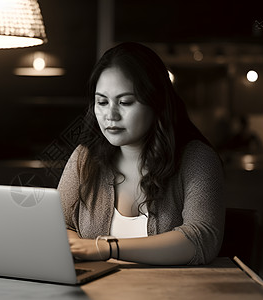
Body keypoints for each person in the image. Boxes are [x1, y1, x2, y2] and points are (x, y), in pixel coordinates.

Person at [57, 42, 224, 265]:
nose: (111, 115)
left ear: (156, 102)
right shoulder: (84, 158)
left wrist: (105, 248)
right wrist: (78, 248)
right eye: (102, 102)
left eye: (125, 102)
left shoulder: (197, 160)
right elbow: (56, 224)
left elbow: (201, 239)